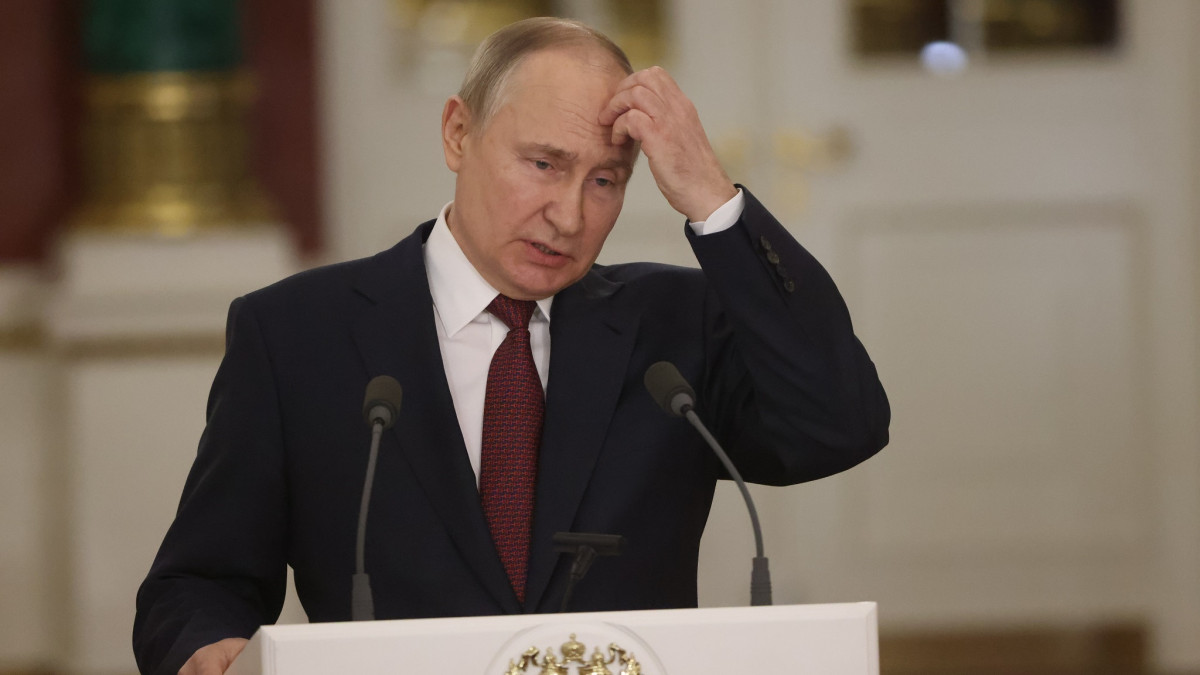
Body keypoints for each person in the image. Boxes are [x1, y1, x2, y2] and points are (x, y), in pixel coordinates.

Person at [133, 17, 889, 675]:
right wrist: (209, 644)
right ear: (458, 133)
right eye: (544, 164)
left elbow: (838, 423)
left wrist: (712, 199)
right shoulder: (296, 334)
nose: (568, 214)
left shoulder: (674, 325)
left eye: (605, 181)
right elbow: (196, 582)